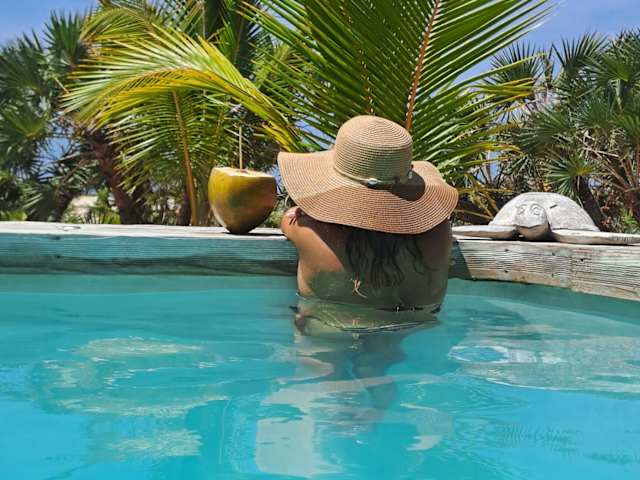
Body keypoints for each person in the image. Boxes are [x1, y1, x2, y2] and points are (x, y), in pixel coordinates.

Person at [279, 115, 458, 315]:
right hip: (417, 329)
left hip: (326, 330)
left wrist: (300, 213)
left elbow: (287, 219)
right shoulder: (440, 233)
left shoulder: (307, 232)